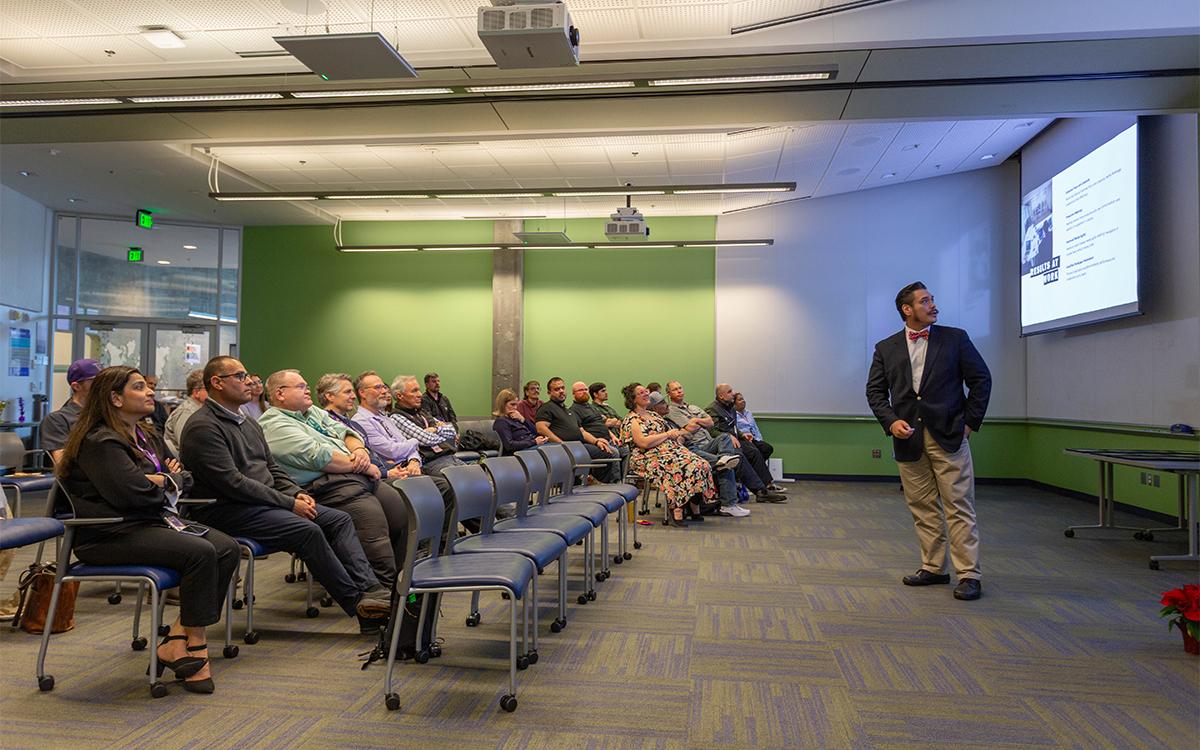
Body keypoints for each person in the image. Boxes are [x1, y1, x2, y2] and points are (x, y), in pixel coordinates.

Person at [57, 365, 240, 694]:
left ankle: (176, 639)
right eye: (139, 387)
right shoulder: (99, 440)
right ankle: (197, 646)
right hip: (107, 534)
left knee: (226, 547)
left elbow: (186, 476)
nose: (151, 392)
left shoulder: (146, 434)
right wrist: (163, 480)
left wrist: (161, 480)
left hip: (151, 522)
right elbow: (130, 494)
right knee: (201, 552)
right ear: (115, 398)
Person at [180, 357, 392, 634]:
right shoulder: (203, 427)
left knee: (338, 519)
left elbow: (272, 469)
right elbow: (233, 483)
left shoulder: (247, 423)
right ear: (217, 383)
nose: (249, 382)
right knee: (307, 530)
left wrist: (297, 493)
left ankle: (373, 590)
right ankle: (361, 607)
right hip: (227, 509)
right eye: (240, 376)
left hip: (261, 503)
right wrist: (288, 502)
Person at [866, 281, 992, 602]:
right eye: (925, 301)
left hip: (949, 435)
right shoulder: (886, 347)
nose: (933, 305)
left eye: (932, 299)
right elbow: (876, 392)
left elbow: (981, 380)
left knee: (959, 506)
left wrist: (969, 424)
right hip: (908, 439)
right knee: (922, 508)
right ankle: (934, 567)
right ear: (907, 310)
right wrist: (891, 421)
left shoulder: (955, 339)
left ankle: (969, 574)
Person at [259, 369, 408, 589]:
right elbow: (319, 457)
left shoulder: (311, 412)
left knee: (403, 512)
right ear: (280, 394)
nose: (307, 389)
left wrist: (360, 450)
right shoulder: (274, 424)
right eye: (301, 386)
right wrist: (365, 465)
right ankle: (382, 594)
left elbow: (346, 432)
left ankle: (402, 587)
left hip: (353, 477)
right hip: (323, 487)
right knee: (374, 528)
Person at [620, 383, 715, 527]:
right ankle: (676, 509)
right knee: (681, 466)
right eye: (641, 393)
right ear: (633, 399)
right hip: (647, 456)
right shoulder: (632, 420)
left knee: (702, 464)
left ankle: (694, 507)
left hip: (669, 450)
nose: (646, 393)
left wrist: (679, 434)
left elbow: (670, 434)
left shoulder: (653, 415)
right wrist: (667, 435)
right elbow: (643, 443)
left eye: (646, 391)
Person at [655, 390, 747, 517]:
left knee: (725, 439)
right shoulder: (667, 416)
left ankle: (724, 459)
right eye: (663, 402)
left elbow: (709, 423)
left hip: (699, 444)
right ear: (655, 408)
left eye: (680, 388)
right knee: (727, 465)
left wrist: (691, 425)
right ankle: (728, 505)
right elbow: (685, 433)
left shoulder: (687, 409)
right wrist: (689, 429)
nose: (667, 405)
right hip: (688, 450)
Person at [707, 384, 786, 501]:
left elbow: (733, 426)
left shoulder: (731, 408)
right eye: (729, 392)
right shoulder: (712, 409)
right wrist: (728, 436)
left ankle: (766, 486)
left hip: (737, 439)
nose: (733, 394)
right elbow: (712, 431)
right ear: (721, 396)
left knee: (754, 451)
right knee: (741, 456)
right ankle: (760, 491)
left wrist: (741, 434)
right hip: (725, 443)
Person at [535, 377, 620, 483]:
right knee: (610, 453)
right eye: (557, 389)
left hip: (578, 445)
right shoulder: (547, 408)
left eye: (562, 388)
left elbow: (582, 432)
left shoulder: (567, 410)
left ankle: (597, 483)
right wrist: (561, 443)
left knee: (607, 451)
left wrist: (596, 441)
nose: (561, 391)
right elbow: (541, 428)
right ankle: (596, 483)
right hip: (565, 448)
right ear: (549, 392)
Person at [389, 375, 466, 478]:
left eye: (419, 390)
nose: (420, 394)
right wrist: (442, 433)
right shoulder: (396, 417)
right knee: (463, 481)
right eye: (414, 391)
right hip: (431, 462)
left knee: (478, 477)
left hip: (448, 456)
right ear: (400, 396)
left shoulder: (421, 413)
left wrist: (434, 429)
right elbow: (426, 439)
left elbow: (452, 430)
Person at [41, 358, 100, 463]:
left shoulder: (109, 414)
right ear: (76, 386)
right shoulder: (58, 420)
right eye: (96, 382)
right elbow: (63, 464)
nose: (102, 386)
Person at [492, 388, 548, 455]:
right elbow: (510, 445)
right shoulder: (501, 422)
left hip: (530, 447)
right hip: (520, 452)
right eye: (512, 404)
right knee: (549, 451)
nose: (515, 408)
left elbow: (536, 432)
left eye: (516, 404)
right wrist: (534, 442)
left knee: (555, 447)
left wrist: (523, 419)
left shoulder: (515, 419)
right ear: (503, 405)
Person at [163, 370, 207, 455]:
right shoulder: (186, 413)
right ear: (196, 392)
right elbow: (188, 447)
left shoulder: (199, 411)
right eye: (208, 388)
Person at [733, 392, 775, 464]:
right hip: (745, 440)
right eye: (740, 400)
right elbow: (735, 430)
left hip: (755, 439)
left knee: (768, 448)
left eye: (743, 399)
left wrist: (760, 439)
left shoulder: (749, 413)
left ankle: (755, 468)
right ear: (734, 403)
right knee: (755, 452)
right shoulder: (733, 415)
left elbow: (755, 427)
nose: (743, 401)